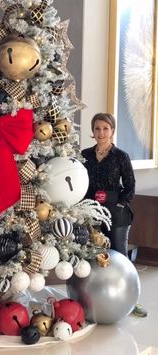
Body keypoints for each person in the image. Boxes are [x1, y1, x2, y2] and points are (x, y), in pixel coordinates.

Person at [81, 112, 147, 317]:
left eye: (105, 128)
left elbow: (130, 186)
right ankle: (92, 301)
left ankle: (131, 301)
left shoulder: (121, 156)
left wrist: (117, 202)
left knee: (120, 256)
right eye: (97, 128)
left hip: (116, 213)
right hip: (91, 213)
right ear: (93, 131)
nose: (101, 132)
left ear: (112, 131)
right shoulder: (85, 155)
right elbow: (81, 183)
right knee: (92, 256)